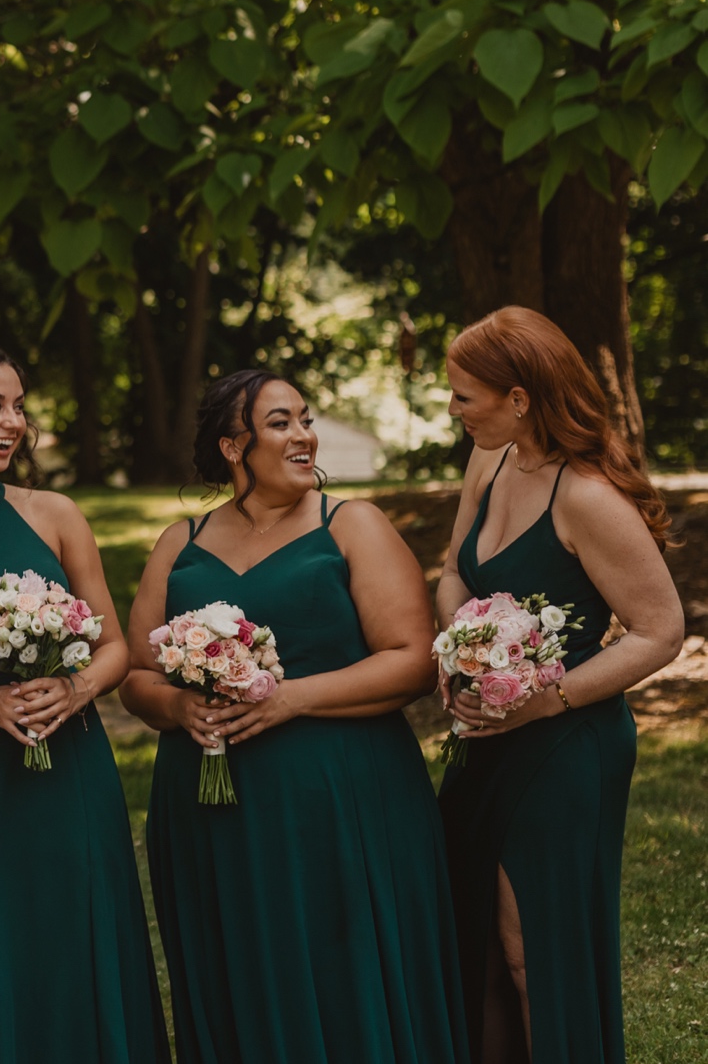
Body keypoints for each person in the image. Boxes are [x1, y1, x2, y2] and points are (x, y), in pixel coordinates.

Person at [121, 368, 466, 1064]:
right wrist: (180, 704)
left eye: (304, 418)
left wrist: (290, 698)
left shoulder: (352, 523)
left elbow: (411, 660)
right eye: (281, 422)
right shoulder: (177, 543)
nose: (305, 434)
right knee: (240, 964)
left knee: (347, 971)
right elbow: (134, 677)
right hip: (213, 811)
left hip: (342, 802)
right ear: (231, 445)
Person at [0, 340, 167, 1064]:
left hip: (68, 771)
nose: (13, 422)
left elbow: (114, 648)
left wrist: (75, 686)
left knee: (73, 937)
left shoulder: (55, 514)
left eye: (18, 406)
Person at [435, 307, 684, 1064]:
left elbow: (661, 630)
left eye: (462, 396)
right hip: (484, 737)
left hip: (566, 746)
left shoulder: (586, 497)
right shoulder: (491, 459)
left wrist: (546, 697)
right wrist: (459, 657)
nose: (451, 410)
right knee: (474, 939)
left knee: (528, 950)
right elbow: (452, 570)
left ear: (518, 397)